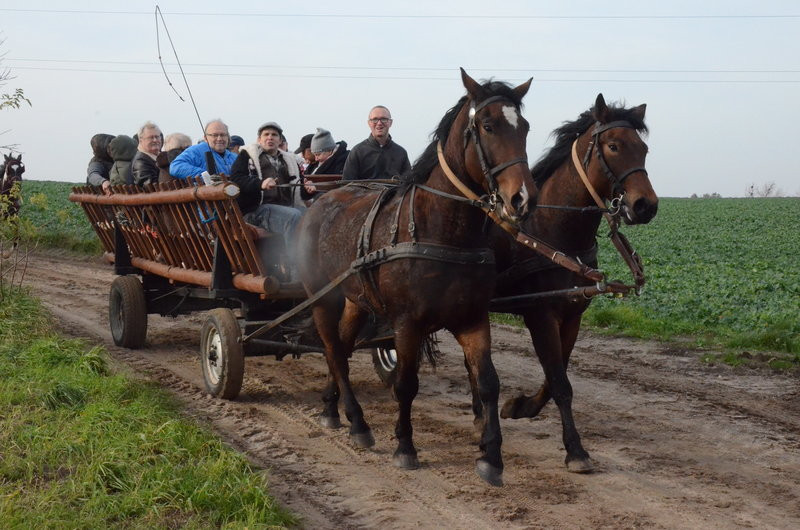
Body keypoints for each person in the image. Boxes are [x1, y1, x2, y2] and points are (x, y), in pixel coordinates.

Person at [229, 122, 316, 274]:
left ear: (280, 140)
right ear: (259, 139)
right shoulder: (247, 156)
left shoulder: (289, 160)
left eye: (274, 135)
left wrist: (308, 190)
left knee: (313, 215)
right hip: (255, 210)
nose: (270, 137)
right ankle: (295, 270)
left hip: (285, 208)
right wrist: (260, 183)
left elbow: (299, 191)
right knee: (293, 217)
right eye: (266, 134)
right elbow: (236, 178)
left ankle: (316, 265)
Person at [342, 105, 410, 180]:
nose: (379, 123)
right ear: (369, 123)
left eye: (384, 119)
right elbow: (346, 185)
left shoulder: (401, 153)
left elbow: (408, 184)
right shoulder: (357, 152)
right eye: (375, 119)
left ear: (390, 122)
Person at [170, 119, 238, 179]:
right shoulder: (196, 151)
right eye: (215, 135)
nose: (219, 139)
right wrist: (205, 175)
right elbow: (176, 167)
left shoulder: (235, 157)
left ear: (228, 137)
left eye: (223, 135)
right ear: (205, 138)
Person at [131, 121, 164, 187]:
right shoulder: (140, 162)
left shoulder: (161, 156)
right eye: (151, 137)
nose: (155, 140)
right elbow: (151, 187)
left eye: (157, 137)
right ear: (141, 140)